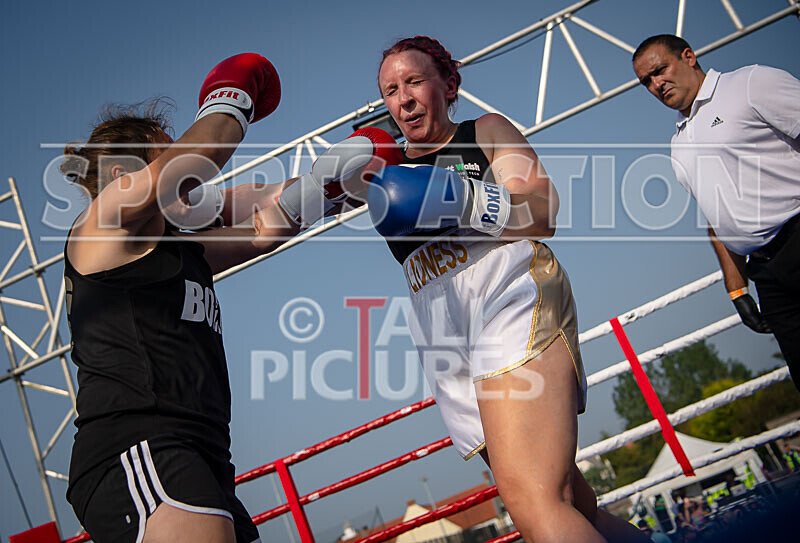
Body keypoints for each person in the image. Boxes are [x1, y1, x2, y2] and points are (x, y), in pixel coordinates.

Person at [61, 52, 399, 543]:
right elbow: (207, 150)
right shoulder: (102, 226)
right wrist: (232, 96)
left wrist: (337, 183)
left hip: (204, 448)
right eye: (164, 157)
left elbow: (264, 227)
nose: (186, 181)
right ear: (122, 176)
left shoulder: (180, 246)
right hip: (137, 444)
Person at [369, 36, 648, 543]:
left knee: (534, 503)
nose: (403, 98)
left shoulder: (484, 132)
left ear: (449, 84)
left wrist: (461, 198)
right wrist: (329, 179)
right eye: (390, 89)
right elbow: (280, 214)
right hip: (443, 328)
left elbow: (544, 212)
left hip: (509, 297)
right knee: (574, 507)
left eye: (414, 81)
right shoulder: (381, 166)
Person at [632, 34, 800, 389]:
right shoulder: (678, 143)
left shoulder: (750, 84)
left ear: (689, 56)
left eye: (659, 70)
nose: (655, 84)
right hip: (766, 272)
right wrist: (737, 288)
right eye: (646, 81)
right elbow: (717, 215)